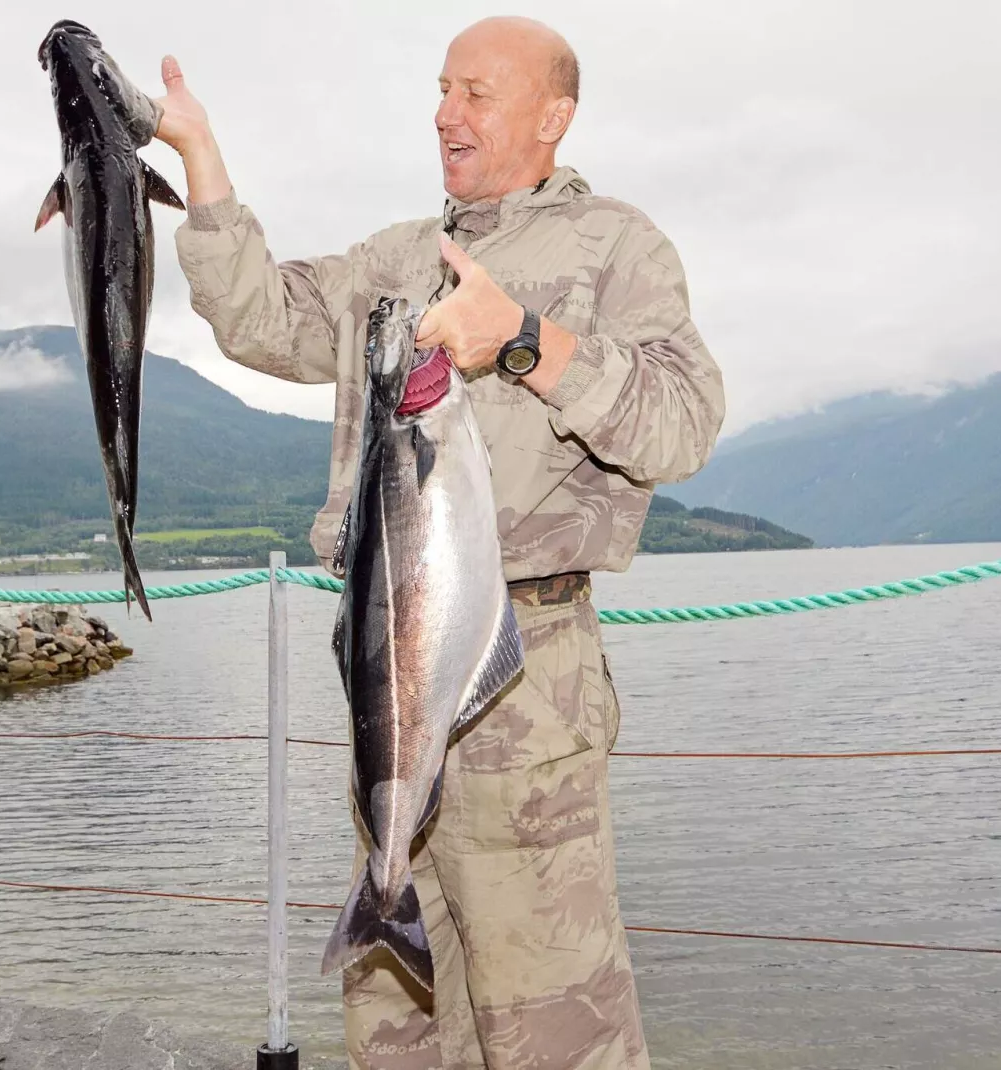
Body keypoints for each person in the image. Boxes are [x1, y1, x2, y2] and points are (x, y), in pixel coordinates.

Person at [153, 15, 724, 1069]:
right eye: (440, 88)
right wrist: (203, 164)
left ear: (553, 116)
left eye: (475, 92)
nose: (444, 113)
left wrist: (521, 339)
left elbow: (682, 424)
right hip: (386, 666)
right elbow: (259, 318)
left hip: (528, 684)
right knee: (397, 1027)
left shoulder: (616, 245)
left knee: (553, 1021)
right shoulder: (398, 257)